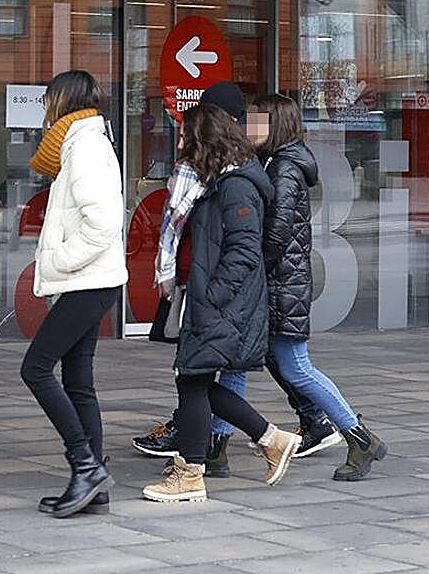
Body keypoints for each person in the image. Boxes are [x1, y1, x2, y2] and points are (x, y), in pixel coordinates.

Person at [132, 82, 330, 476]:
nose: (181, 140)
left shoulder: (237, 184)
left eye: (187, 133)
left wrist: (212, 294)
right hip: (207, 295)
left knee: (198, 377)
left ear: (206, 136)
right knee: (194, 379)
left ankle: (194, 468)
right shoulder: (215, 180)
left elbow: (245, 249)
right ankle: (264, 441)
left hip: (221, 299)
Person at [248, 94, 387, 481]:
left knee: (296, 366)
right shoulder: (278, 162)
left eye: (256, 120)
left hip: (281, 283)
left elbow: (276, 233)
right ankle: (213, 443)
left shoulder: (285, 168)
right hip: (282, 281)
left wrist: (252, 269)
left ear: (275, 124)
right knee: (267, 364)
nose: (249, 127)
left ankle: (360, 438)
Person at [20, 70, 127, 518]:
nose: (43, 109)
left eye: (47, 99)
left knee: (36, 368)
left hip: (89, 278)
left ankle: (85, 464)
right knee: (78, 380)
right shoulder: (79, 142)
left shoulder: (84, 145)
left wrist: (60, 260)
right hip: (92, 279)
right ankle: (93, 487)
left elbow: (103, 222)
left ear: (62, 100)